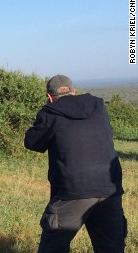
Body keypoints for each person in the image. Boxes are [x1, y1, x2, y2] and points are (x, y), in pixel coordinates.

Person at [24, 75, 127, 252]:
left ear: (49, 97)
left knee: (53, 246)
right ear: (74, 92)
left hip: (73, 191)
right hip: (110, 189)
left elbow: (32, 142)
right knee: (111, 247)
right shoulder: (99, 106)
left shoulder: (50, 113)